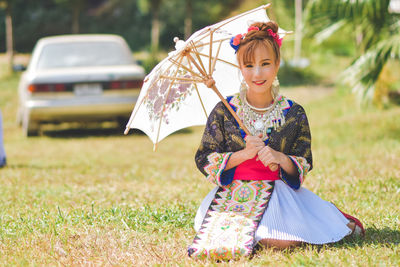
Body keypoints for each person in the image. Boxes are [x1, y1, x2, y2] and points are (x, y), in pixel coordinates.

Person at [188, 21, 364, 259]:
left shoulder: (293, 112)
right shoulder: (224, 110)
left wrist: (280, 158)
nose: (257, 73)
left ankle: (322, 217)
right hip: (232, 193)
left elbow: (304, 160)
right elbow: (204, 158)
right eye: (249, 65)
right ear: (240, 67)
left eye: (265, 64)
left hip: (280, 193)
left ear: (277, 64)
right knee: (228, 237)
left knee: (282, 240)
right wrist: (243, 155)